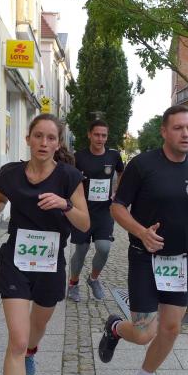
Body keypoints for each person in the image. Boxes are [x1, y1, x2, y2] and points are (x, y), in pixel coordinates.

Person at [98, 105, 188, 375]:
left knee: (171, 328)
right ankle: (115, 328)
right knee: (143, 333)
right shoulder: (142, 165)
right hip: (144, 257)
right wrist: (141, 232)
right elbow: (117, 207)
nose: (186, 134)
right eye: (178, 128)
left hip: (177, 261)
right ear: (164, 131)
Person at [0, 114, 89, 375]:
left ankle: (31, 353)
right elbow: (0, 197)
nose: (43, 142)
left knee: (37, 327)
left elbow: (84, 223)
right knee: (17, 338)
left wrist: (64, 204)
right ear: (28, 139)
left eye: (50, 138)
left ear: (58, 143)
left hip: (50, 262)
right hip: (15, 260)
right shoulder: (11, 174)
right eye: (38, 136)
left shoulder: (69, 177)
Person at [67, 119, 125, 301]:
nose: (100, 139)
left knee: (104, 248)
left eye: (104, 135)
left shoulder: (113, 156)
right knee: (82, 249)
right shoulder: (79, 157)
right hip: (82, 211)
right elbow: (69, 178)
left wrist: (117, 192)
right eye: (97, 135)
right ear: (89, 135)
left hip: (104, 211)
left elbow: (122, 173)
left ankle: (93, 279)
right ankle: (73, 284)